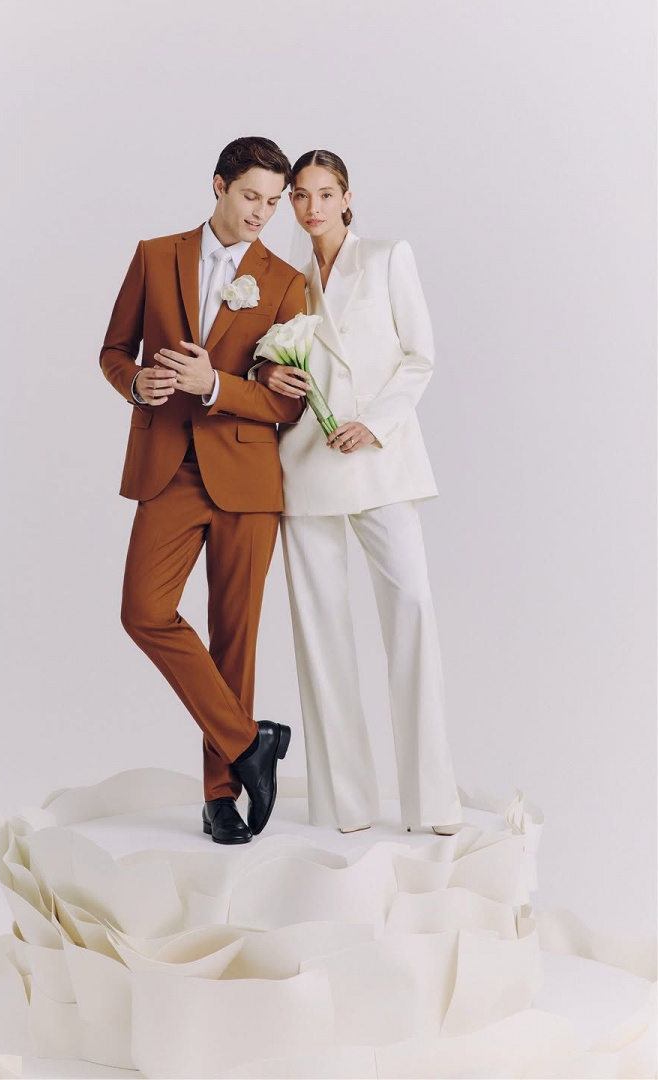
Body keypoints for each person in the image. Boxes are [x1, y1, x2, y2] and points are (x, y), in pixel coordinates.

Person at [99, 137, 307, 845]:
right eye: (251, 196)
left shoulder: (285, 281)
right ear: (218, 185)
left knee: (234, 637)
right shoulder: (156, 255)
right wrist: (136, 383)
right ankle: (251, 743)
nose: (262, 213)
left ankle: (221, 797)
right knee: (144, 611)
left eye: (273, 202)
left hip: (248, 478)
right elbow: (114, 350)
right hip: (169, 466)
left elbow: (287, 403)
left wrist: (216, 385)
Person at [250, 149, 463, 835]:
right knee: (321, 634)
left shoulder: (388, 256)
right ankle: (348, 805)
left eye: (325, 193)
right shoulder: (283, 277)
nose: (312, 207)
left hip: (379, 458)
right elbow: (257, 351)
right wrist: (265, 371)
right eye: (300, 196)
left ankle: (432, 802)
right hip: (307, 462)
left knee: (412, 607)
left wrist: (375, 423)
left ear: (347, 197)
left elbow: (420, 356)